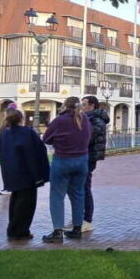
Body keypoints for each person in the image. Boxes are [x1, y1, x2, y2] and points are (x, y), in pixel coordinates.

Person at [42, 96, 92, 243]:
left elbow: (46, 139)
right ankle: (77, 228)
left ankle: (57, 231)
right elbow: (90, 136)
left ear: (65, 106)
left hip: (63, 160)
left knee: (57, 196)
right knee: (78, 194)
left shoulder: (60, 121)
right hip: (82, 160)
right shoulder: (85, 119)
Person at [0, 107, 50, 240]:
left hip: (12, 171)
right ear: (21, 119)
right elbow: (37, 152)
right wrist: (39, 174)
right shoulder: (28, 133)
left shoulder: (5, 134)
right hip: (27, 173)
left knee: (15, 200)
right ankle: (20, 230)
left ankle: (14, 228)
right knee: (26, 203)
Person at [81, 95, 109, 233]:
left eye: (84, 104)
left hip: (89, 156)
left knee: (85, 187)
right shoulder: (89, 118)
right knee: (80, 187)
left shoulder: (96, 120)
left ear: (91, 105)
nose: (82, 107)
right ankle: (80, 218)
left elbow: (89, 136)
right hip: (86, 155)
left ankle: (87, 220)